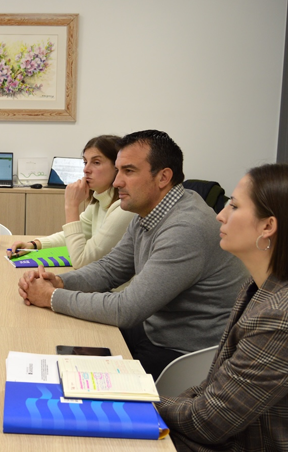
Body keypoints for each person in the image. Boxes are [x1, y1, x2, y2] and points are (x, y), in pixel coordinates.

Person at [17, 130, 247, 376]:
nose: (117, 182)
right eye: (118, 171)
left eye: (129, 171)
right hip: (153, 328)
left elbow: (126, 309)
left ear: (163, 177)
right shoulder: (149, 210)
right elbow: (110, 269)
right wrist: (61, 281)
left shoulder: (186, 227)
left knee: (77, 381)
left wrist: (51, 297)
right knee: (63, 349)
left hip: (183, 353)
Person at [156, 163, 288, 452]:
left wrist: (140, 400)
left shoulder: (283, 318)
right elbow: (212, 394)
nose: (220, 215)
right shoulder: (263, 286)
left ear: (267, 226)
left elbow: (209, 422)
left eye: (233, 206)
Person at [7, 135, 136, 269]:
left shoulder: (124, 209)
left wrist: (71, 206)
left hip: (115, 290)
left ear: (117, 167)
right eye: (85, 162)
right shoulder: (99, 200)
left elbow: (81, 261)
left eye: (96, 162)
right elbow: (74, 234)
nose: (86, 170)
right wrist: (34, 244)